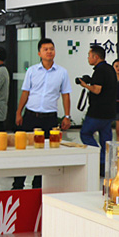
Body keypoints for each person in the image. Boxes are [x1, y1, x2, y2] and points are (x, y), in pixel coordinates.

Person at [14, 38, 72, 190]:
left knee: (45, 152)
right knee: (24, 150)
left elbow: (66, 95)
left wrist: (67, 116)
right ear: (39, 53)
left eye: (51, 49)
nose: (49, 52)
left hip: (49, 118)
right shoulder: (32, 71)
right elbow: (25, 93)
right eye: (45, 49)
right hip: (31, 116)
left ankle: (38, 185)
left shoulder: (62, 72)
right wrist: (19, 112)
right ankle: (18, 184)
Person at [79, 45, 118, 170]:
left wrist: (85, 85)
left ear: (96, 57)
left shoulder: (100, 70)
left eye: (89, 56)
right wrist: (91, 80)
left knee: (85, 133)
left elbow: (97, 90)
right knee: (105, 140)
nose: (88, 58)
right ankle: (104, 166)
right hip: (109, 112)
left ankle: (97, 157)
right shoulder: (110, 69)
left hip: (97, 112)